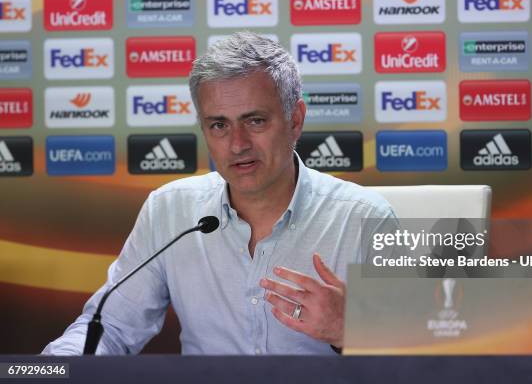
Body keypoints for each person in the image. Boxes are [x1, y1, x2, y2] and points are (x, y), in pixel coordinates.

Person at [42, 31, 395, 355]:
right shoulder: (169, 210)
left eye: (255, 121)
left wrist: (349, 330)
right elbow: (113, 326)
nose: (237, 144)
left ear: (296, 120)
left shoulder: (370, 218)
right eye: (219, 125)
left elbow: (428, 350)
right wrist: (53, 369)